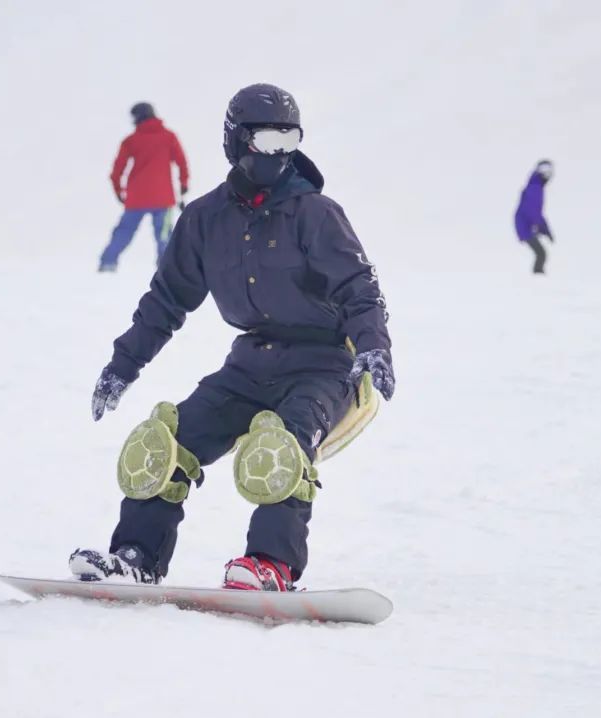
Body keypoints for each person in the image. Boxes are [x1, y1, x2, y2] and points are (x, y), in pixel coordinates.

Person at [71, 83, 395, 592]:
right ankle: (136, 557)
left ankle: (271, 564)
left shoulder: (316, 214)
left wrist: (374, 345)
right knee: (163, 445)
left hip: (323, 364)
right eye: (268, 139)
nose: (281, 153)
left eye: (290, 139)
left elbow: (359, 288)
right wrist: (123, 365)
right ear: (237, 140)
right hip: (250, 362)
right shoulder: (205, 219)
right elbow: (166, 301)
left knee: (282, 448)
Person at [98, 102, 189, 272]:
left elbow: (117, 171)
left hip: (136, 197)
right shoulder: (169, 137)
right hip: (163, 197)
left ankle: (107, 263)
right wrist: (183, 183)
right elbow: (181, 162)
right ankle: (166, 268)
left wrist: (119, 190)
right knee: (164, 236)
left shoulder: (131, 141)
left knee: (123, 232)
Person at [514, 159, 555, 274]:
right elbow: (533, 212)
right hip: (525, 226)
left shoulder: (536, 186)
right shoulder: (535, 188)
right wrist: (539, 226)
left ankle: (537, 278)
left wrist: (545, 229)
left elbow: (537, 213)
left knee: (541, 254)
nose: (549, 176)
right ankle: (537, 279)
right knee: (541, 254)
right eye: (548, 172)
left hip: (526, 224)